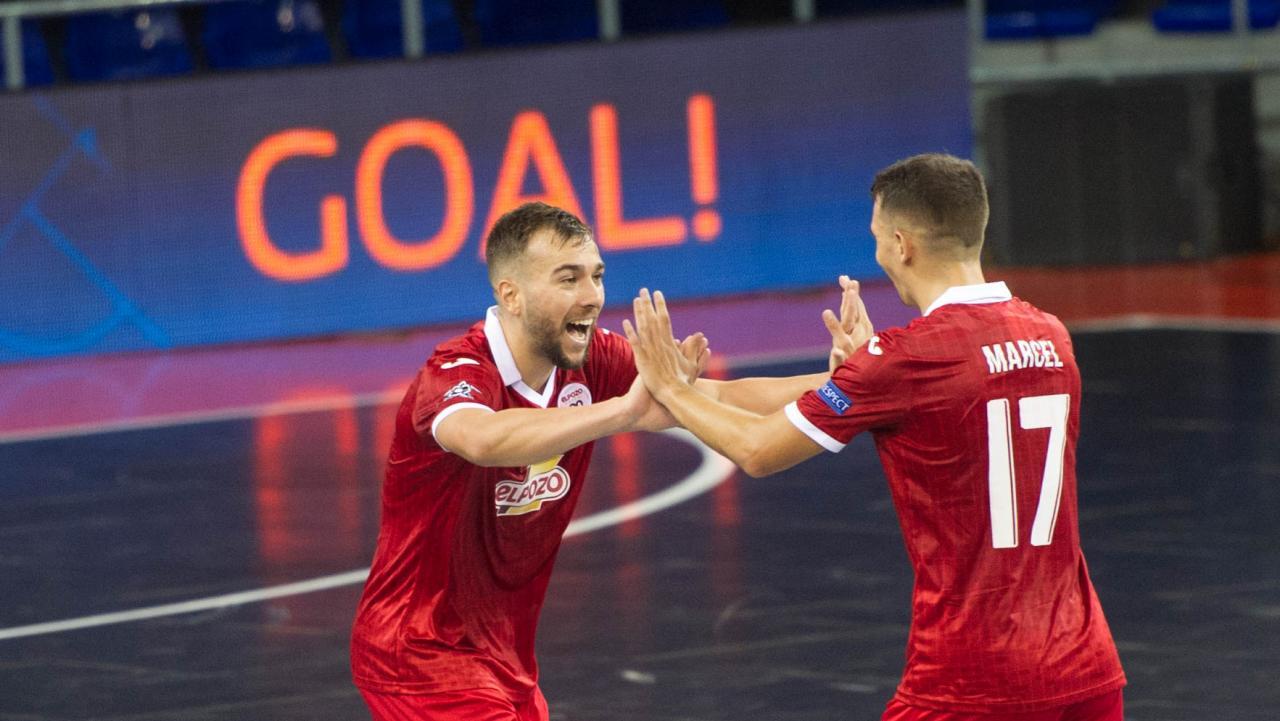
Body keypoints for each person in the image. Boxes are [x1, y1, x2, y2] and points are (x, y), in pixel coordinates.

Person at [624, 154, 1127, 721]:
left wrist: (675, 389)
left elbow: (758, 451)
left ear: (901, 244)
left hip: (972, 679)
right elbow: (924, 388)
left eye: (877, 239)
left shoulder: (905, 360)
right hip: (1085, 668)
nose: (878, 256)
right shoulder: (1050, 334)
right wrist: (841, 377)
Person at [350, 201, 854, 721]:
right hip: (417, 649)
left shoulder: (594, 359)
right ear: (511, 295)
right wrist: (623, 411)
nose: (591, 297)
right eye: (568, 279)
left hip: (504, 655)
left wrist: (843, 383)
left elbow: (717, 397)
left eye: (596, 276)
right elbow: (480, 438)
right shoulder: (456, 370)